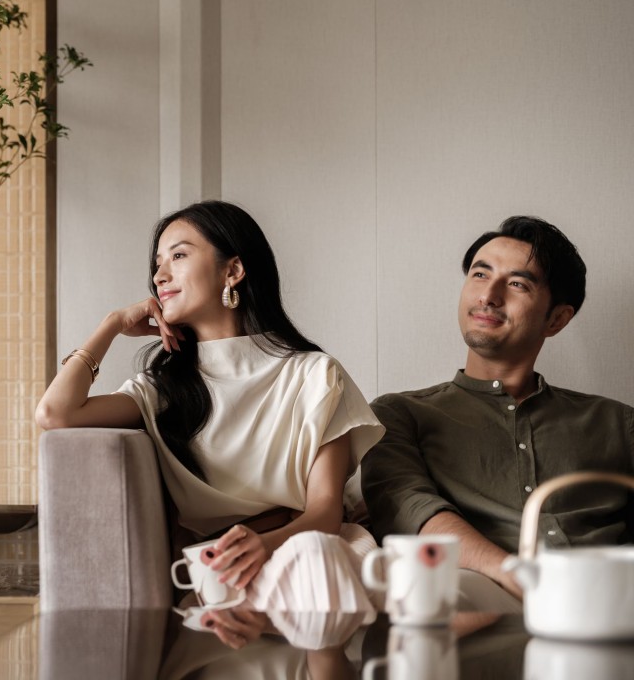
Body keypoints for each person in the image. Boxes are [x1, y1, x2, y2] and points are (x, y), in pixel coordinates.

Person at [36, 200, 384, 612]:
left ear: (233, 270)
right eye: (157, 263)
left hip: (313, 552)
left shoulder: (315, 375)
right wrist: (111, 324)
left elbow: (324, 514)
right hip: (219, 573)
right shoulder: (160, 391)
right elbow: (54, 415)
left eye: (179, 256)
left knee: (308, 580)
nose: (159, 275)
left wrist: (261, 547)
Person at [362, 216, 634, 608]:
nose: (488, 295)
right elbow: (411, 513)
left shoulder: (617, 423)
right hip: (478, 604)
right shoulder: (399, 414)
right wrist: (520, 578)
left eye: (518, 283)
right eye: (479, 274)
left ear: (556, 318)